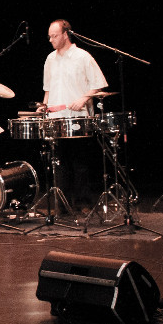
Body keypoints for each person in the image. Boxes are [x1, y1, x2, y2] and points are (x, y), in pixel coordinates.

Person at [40, 19, 108, 211]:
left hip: (78, 117)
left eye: (54, 36)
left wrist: (84, 99)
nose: (51, 40)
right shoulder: (50, 59)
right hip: (56, 118)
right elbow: (48, 89)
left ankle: (83, 203)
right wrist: (44, 107)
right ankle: (62, 205)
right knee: (59, 163)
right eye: (49, 36)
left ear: (65, 34)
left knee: (79, 162)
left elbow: (99, 85)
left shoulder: (83, 57)